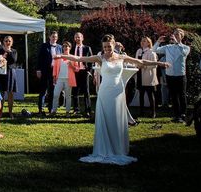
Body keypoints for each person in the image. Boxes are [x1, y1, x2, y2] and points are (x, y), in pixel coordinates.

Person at [55, 34, 169, 165]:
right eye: (104, 47)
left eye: (109, 46)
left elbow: (141, 62)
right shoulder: (100, 58)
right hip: (105, 93)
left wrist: (160, 63)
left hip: (118, 92)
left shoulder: (122, 57)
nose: (107, 49)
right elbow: (79, 57)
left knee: (117, 120)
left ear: (114, 45)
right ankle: (105, 148)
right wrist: (62, 56)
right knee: (106, 119)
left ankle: (117, 148)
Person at [153, 29, 191, 123]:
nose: (175, 36)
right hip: (169, 74)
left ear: (181, 37)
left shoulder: (186, 47)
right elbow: (154, 50)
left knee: (182, 95)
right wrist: (158, 41)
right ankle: (176, 115)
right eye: (174, 34)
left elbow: (183, 53)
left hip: (180, 74)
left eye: (177, 35)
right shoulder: (168, 47)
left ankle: (183, 114)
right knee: (173, 96)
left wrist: (178, 43)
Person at [36, 31, 61, 115]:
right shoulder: (44, 46)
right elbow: (39, 58)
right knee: (43, 90)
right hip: (45, 71)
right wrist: (38, 70)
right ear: (49, 37)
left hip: (55, 72)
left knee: (52, 90)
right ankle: (40, 109)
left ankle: (50, 108)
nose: (54, 38)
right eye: (53, 36)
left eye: (56, 37)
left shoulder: (60, 47)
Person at [51, 41, 78, 115]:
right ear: (62, 48)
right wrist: (54, 77)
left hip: (68, 79)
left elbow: (77, 69)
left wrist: (71, 66)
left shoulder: (73, 57)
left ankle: (67, 111)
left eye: (67, 46)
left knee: (68, 96)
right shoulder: (59, 56)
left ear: (70, 48)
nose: (65, 48)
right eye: (64, 46)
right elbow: (54, 68)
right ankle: (54, 111)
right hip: (59, 79)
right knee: (56, 95)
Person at [135, 37, 158, 118]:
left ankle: (153, 113)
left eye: (145, 41)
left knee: (150, 95)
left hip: (149, 77)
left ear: (149, 43)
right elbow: (135, 61)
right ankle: (141, 112)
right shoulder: (139, 51)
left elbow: (155, 65)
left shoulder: (152, 52)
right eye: (142, 40)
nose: (142, 42)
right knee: (141, 95)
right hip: (140, 76)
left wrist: (144, 67)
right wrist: (137, 66)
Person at [0, 35, 18, 118]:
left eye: (9, 41)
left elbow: (13, 61)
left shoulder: (14, 51)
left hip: (10, 73)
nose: (7, 42)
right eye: (6, 41)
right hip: (1, 73)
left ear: (12, 42)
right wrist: (3, 54)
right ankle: (0, 112)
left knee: (10, 93)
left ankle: (10, 112)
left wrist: (9, 52)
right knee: (1, 93)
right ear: (3, 42)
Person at [71, 32, 93, 117]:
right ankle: (76, 109)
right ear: (74, 39)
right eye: (76, 37)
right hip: (75, 72)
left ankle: (88, 110)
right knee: (75, 92)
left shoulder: (87, 48)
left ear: (82, 38)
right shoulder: (72, 49)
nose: (77, 38)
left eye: (79, 37)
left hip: (84, 72)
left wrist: (89, 71)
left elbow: (91, 60)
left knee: (86, 92)